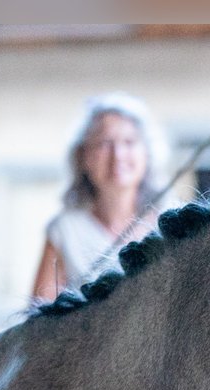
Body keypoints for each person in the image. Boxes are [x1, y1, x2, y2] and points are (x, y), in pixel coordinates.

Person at [31, 92, 168, 301]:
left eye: (129, 142)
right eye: (104, 143)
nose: (118, 155)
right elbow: (38, 323)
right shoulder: (65, 231)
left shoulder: (167, 224)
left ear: (147, 153)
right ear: (83, 156)